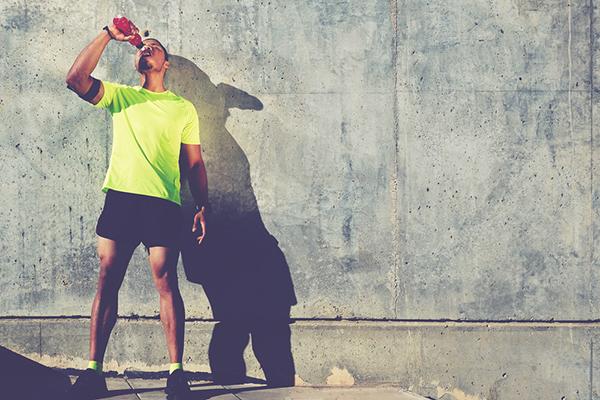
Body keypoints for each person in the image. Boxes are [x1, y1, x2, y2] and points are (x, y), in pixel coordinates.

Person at [65, 20, 209, 400]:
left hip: (163, 204)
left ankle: (176, 373)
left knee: (166, 282)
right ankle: (93, 372)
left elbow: (194, 163)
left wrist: (202, 205)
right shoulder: (121, 96)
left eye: (154, 47)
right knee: (107, 281)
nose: (145, 49)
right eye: (141, 47)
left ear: (166, 63)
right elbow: (76, 79)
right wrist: (108, 35)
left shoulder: (183, 108)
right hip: (122, 199)